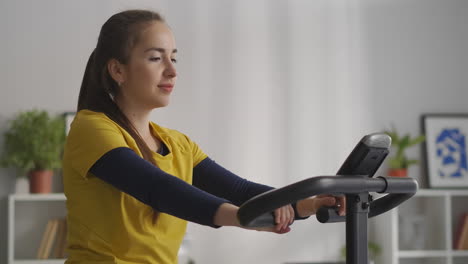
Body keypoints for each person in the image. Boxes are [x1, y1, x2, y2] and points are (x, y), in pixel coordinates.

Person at [62, 9, 345, 264]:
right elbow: (158, 189)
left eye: (173, 58)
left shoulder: (178, 145)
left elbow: (240, 190)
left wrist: (312, 203)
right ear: (117, 70)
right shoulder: (91, 127)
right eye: (156, 58)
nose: (172, 70)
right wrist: (240, 217)